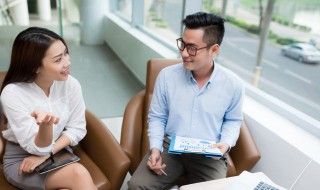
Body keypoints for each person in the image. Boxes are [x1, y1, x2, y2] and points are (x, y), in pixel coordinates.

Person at [128, 12, 245, 189]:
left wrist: (226, 144)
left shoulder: (233, 84)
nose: (183, 53)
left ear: (213, 50)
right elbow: (157, 117)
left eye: (192, 48)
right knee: (137, 186)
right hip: (171, 148)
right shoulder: (167, 77)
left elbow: (233, 120)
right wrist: (155, 149)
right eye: (182, 44)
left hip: (210, 154)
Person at [0, 27, 96, 190]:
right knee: (78, 175)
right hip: (22, 161)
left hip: (56, 153)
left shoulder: (70, 84)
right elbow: (35, 148)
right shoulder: (12, 94)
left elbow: (77, 129)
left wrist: (45, 155)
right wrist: (46, 126)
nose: (67, 62)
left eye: (66, 53)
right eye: (58, 59)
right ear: (35, 67)